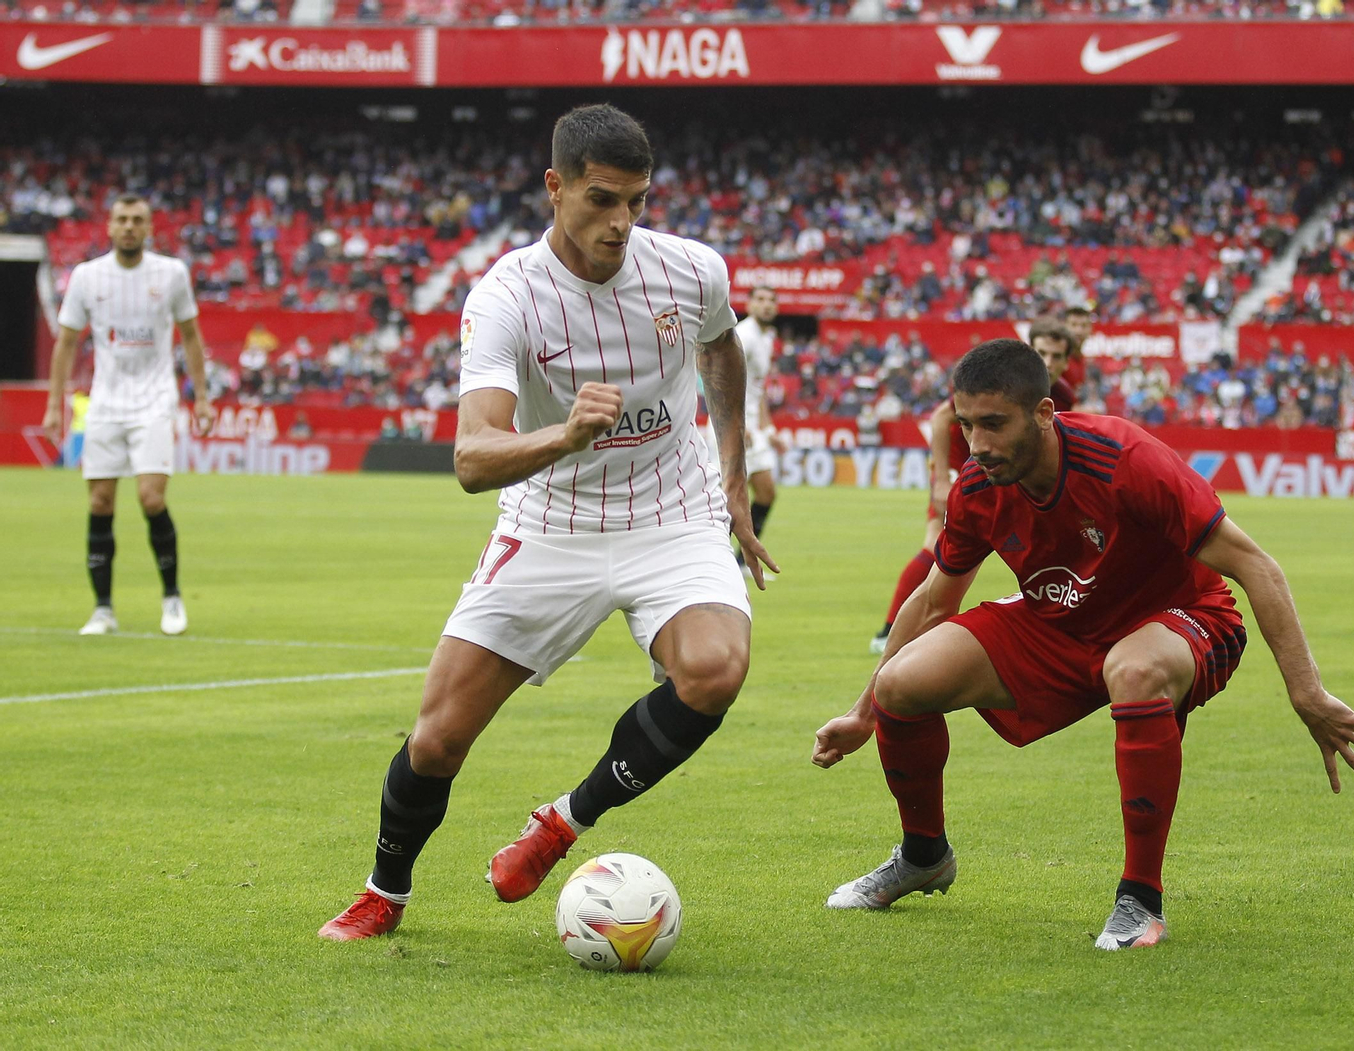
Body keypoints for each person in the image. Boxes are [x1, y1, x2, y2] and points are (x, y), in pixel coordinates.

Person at [319, 104, 777, 941]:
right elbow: (470, 458)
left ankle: (562, 823)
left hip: (672, 513)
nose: (622, 223)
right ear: (555, 186)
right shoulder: (506, 297)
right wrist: (564, 433)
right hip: (551, 520)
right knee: (436, 740)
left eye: (637, 201)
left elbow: (721, 349)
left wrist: (735, 477)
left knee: (715, 667)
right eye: (602, 200)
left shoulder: (690, 269)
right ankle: (385, 890)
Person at [816, 339, 1354, 951]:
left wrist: (1307, 693)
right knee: (901, 683)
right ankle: (924, 855)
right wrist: (863, 712)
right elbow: (934, 600)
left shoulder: (1125, 460)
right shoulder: (978, 486)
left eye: (993, 424)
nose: (977, 444)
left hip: (1182, 616)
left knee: (1134, 670)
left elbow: (1257, 567)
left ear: (1042, 413)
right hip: (1060, 622)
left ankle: (1140, 900)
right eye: (966, 425)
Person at [41, 193, 215, 637]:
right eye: (122, 219)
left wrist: (202, 397)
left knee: (151, 498)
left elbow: (191, 336)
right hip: (105, 403)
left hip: (155, 399)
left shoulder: (171, 273)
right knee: (100, 502)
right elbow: (66, 343)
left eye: (138, 220)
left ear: (150, 227)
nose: (129, 227)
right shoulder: (87, 276)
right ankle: (103, 609)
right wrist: (54, 404)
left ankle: (172, 597)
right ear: (109, 227)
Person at [868, 317, 1083, 654]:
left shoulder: (1063, 396)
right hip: (962, 465)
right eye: (1042, 352)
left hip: (1005, 471)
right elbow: (941, 418)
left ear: (1069, 361)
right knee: (934, 545)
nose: (1049, 362)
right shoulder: (1007, 382)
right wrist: (941, 479)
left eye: (1057, 356)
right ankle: (888, 631)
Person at [732, 285, 783, 571]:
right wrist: (737, 424)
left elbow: (758, 387)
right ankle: (714, 560)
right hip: (736, 426)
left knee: (766, 493)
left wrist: (769, 428)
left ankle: (741, 560)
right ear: (749, 305)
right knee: (726, 498)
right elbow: (724, 379)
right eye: (761, 300)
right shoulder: (744, 335)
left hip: (752, 427)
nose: (767, 305)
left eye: (772, 300)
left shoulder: (766, 337)